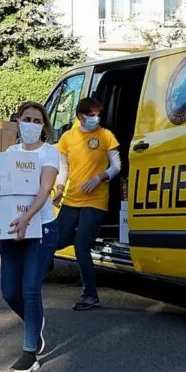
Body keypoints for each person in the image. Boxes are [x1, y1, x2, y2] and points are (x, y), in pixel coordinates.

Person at [0, 101, 59, 372]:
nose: (31, 124)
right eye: (27, 119)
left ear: (44, 126)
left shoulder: (50, 153)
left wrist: (27, 218)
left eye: (37, 120)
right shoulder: (11, 152)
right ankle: (34, 324)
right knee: (9, 292)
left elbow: (46, 188)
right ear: (18, 120)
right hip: (12, 230)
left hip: (40, 229)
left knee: (30, 289)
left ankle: (30, 352)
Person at [53, 97, 120, 311]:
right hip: (72, 198)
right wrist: (60, 188)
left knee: (81, 247)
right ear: (80, 116)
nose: (95, 118)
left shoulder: (105, 136)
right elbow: (63, 168)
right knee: (56, 239)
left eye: (98, 114)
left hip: (96, 200)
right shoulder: (67, 138)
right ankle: (85, 233)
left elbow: (117, 164)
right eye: (91, 115)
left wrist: (100, 177)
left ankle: (90, 295)